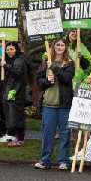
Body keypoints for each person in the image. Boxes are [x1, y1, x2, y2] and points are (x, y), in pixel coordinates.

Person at [34, 39, 75, 170]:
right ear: (53, 47)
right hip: (48, 104)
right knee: (48, 133)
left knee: (64, 134)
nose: (60, 47)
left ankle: (63, 161)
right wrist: (47, 81)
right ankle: (45, 160)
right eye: (57, 44)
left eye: (62, 45)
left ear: (65, 47)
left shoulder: (69, 63)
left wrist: (55, 68)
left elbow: (67, 78)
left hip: (64, 105)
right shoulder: (46, 62)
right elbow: (39, 82)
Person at [1, 41, 30, 146]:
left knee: (17, 116)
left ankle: (19, 139)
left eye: (11, 49)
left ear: (16, 49)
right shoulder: (14, 59)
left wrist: (5, 66)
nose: (9, 51)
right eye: (7, 50)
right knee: (13, 115)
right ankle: (16, 137)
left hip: (17, 92)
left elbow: (16, 72)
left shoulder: (19, 60)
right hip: (14, 91)